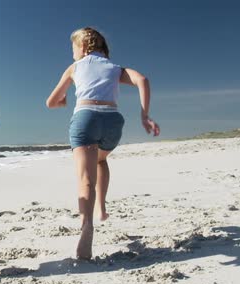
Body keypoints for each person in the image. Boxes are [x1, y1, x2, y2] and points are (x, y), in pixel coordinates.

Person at [46, 27, 159, 259]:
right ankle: (102, 208)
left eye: (73, 47)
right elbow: (142, 80)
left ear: (83, 47)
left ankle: (87, 225)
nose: (72, 53)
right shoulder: (114, 68)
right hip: (112, 121)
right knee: (101, 160)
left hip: (85, 117)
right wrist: (144, 115)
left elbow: (51, 102)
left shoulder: (75, 68)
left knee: (85, 179)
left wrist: (64, 102)